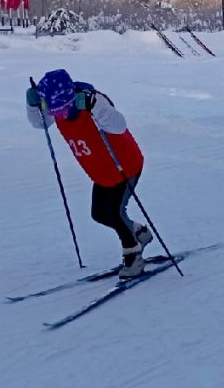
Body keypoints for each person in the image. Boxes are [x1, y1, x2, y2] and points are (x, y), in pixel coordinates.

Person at [26, 69, 151, 278]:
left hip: (124, 166)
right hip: (101, 173)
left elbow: (119, 126)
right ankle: (139, 233)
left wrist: (94, 106)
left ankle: (133, 255)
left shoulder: (94, 101)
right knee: (99, 214)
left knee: (115, 214)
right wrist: (33, 106)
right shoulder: (57, 104)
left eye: (63, 111)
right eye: (55, 112)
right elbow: (42, 123)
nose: (60, 117)